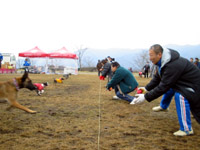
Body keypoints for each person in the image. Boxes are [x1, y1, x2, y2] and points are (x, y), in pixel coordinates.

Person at [131, 44, 200, 136]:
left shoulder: (172, 65)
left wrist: (146, 97)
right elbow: (158, 77)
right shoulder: (163, 62)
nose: (150, 58)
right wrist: (146, 88)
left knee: (180, 96)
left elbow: (164, 86)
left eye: (151, 55)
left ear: (159, 54)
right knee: (170, 89)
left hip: (194, 87)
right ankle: (164, 106)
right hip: (184, 84)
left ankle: (186, 129)